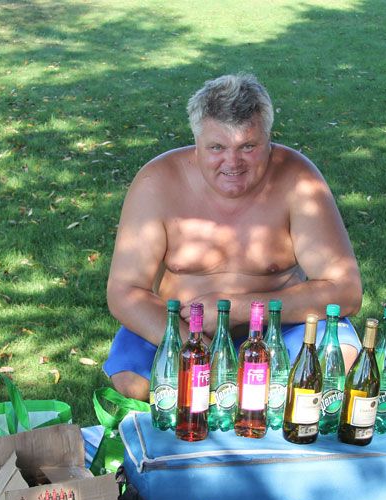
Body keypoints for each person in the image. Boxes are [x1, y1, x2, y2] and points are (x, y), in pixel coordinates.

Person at [104, 73, 363, 400]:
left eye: (248, 147)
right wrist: (197, 349)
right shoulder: (157, 182)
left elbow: (346, 291)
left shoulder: (298, 179)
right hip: (180, 328)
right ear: (196, 141)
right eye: (217, 147)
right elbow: (124, 291)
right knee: (133, 383)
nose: (233, 162)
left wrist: (243, 308)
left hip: (278, 327)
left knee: (333, 360)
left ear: (269, 138)